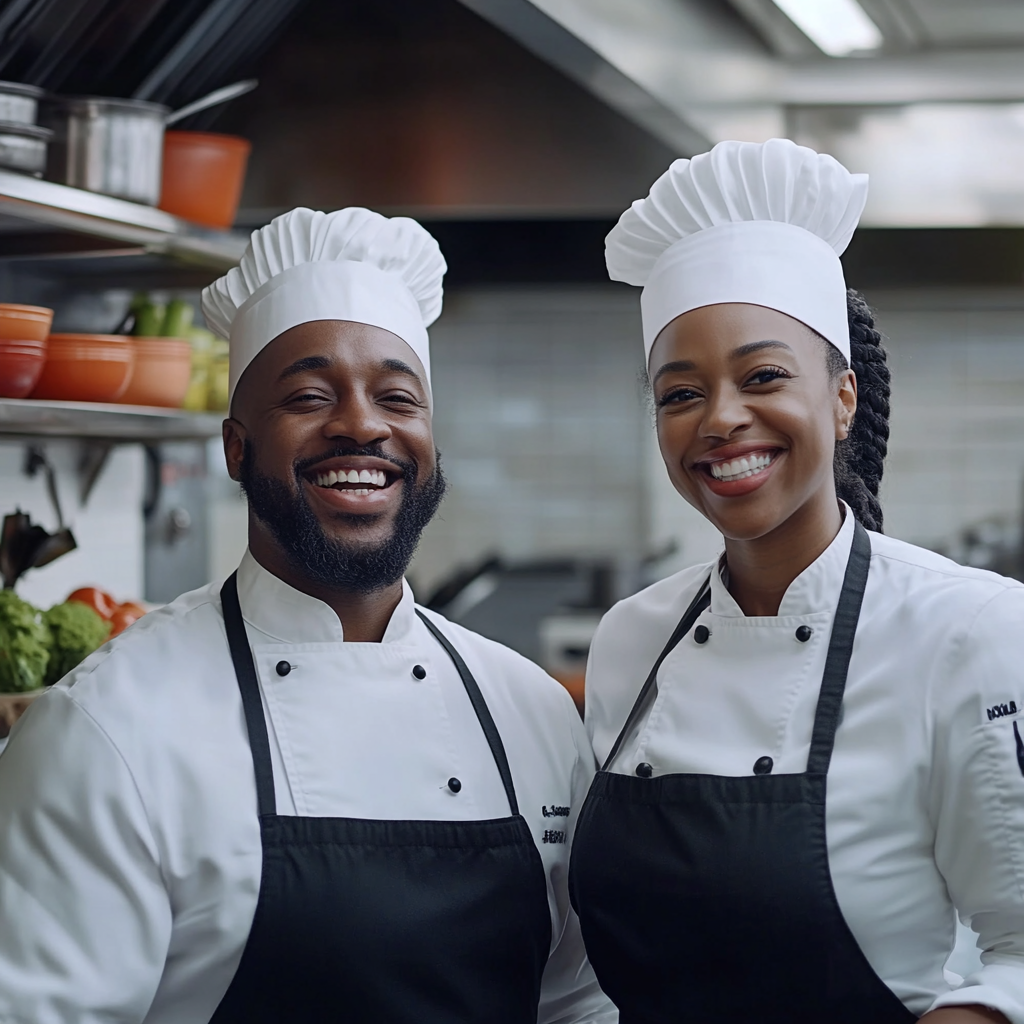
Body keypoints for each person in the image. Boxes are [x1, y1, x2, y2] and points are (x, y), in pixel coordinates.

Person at [0, 207, 615, 1024]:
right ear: (235, 447)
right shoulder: (108, 729)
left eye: (397, 395)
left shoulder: (531, 708)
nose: (362, 424)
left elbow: (578, 1005)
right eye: (309, 394)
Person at [568, 138, 1024, 1023]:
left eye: (763, 376)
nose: (722, 418)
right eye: (679, 392)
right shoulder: (632, 638)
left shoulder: (970, 630)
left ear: (844, 397)